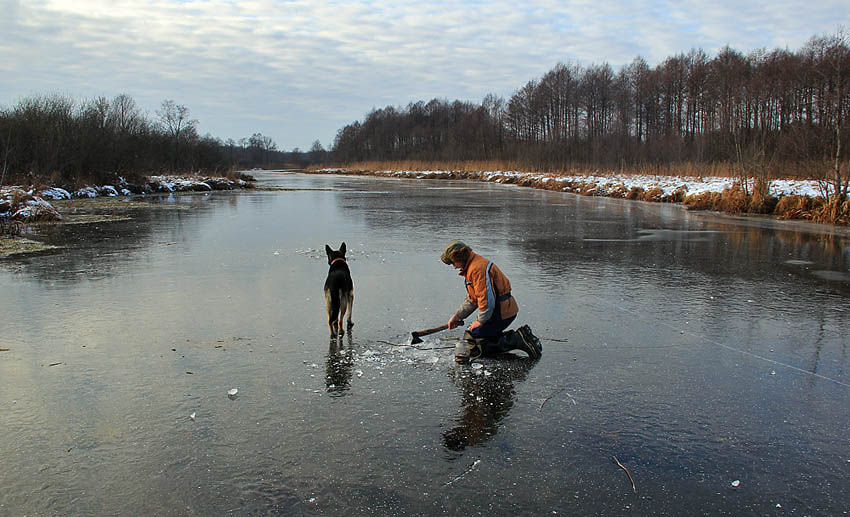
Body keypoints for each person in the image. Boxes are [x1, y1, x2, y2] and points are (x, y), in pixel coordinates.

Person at [441, 240, 542, 363]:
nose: (454, 267)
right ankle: (512, 337)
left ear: (460, 257)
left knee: (475, 341)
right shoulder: (472, 266)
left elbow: (487, 300)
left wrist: (480, 321)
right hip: (499, 310)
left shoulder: (477, 268)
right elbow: (473, 299)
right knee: (474, 336)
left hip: (502, 312)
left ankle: (518, 339)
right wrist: (457, 316)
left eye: (454, 263)